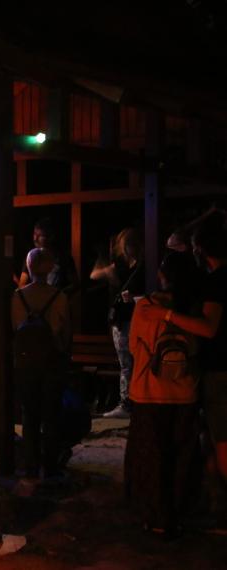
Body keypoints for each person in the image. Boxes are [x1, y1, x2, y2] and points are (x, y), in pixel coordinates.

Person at [139, 216, 227, 499]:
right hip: (217, 368)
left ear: (202, 248)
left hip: (220, 369)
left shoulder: (216, 282)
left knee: (222, 439)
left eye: (194, 247)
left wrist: (165, 315)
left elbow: (209, 328)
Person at [125, 252, 201, 539]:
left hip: (148, 392)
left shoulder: (146, 306)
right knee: (180, 457)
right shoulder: (193, 310)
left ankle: (154, 517)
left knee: (151, 458)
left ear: (161, 276)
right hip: (184, 392)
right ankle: (177, 515)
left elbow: (133, 347)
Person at [11, 248, 72, 480]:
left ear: (28, 267)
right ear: (50, 268)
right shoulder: (60, 297)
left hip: (25, 362)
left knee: (29, 415)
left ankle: (31, 465)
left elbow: (15, 328)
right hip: (52, 361)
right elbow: (65, 333)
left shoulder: (18, 297)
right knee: (51, 415)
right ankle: (51, 467)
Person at [90, 227, 145, 419]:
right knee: (126, 363)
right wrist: (106, 267)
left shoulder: (142, 269)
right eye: (127, 244)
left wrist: (134, 298)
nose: (130, 248)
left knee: (131, 363)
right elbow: (95, 275)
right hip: (123, 321)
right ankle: (128, 402)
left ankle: (130, 403)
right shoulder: (123, 267)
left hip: (134, 321)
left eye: (132, 244)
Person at [17, 218, 80, 296]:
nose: (35, 239)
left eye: (40, 235)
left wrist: (57, 296)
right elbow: (22, 285)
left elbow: (75, 284)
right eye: (34, 234)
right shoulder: (31, 256)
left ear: (51, 237)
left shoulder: (63, 258)